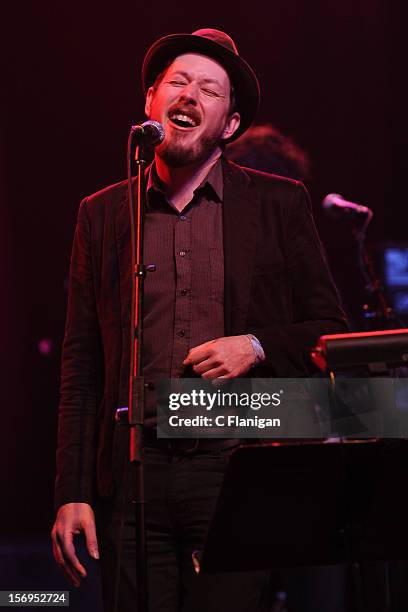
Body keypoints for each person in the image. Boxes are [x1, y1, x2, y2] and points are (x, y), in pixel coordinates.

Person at [51, 28, 347, 612]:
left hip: (234, 468)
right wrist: (72, 491)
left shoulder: (277, 203)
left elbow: (327, 329)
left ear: (230, 124)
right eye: (178, 83)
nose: (189, 95)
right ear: (150, 105)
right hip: (134, 473)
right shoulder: (103, 213)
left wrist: (257, 345)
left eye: (209, 90)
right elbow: (82, 360)